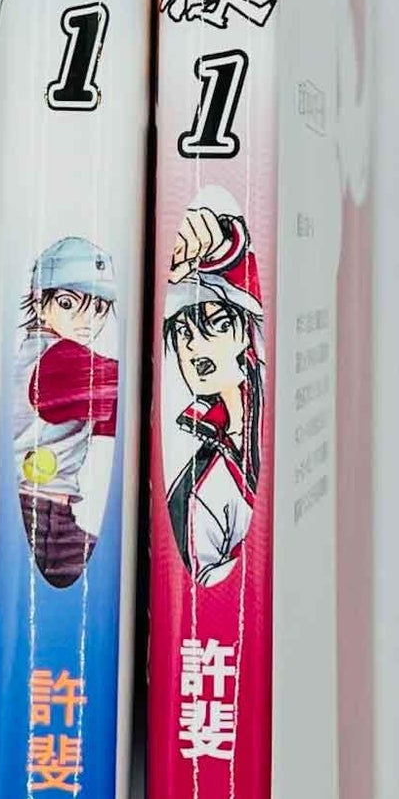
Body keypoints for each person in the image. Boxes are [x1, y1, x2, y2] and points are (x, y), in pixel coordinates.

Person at [161, 206, 266, 588]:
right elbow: (206, 586)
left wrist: (221, 244)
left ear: (246, 335)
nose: (194, 346)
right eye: (183, 332)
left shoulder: (268, 402)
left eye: (217, 324)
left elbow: (255, 281)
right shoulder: (198, 490)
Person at [13, 237, 119, 588]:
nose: (88, 318)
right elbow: (133, 391)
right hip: (41, 521)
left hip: (47, 516)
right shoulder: (60, 361)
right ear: (40, 303)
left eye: (99, 307)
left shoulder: (39, 353)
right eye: (69, 303)